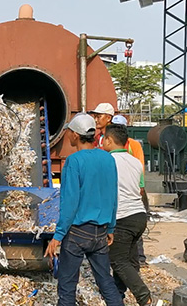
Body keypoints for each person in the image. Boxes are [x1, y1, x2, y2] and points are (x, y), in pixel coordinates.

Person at [44, 113, 123, 306]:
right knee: (106, 282)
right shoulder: (107, 159)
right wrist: (111, 228)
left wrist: (58, 236)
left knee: (67, 285)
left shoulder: (74, 161)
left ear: (76, 135)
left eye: (69, 131)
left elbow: (70, 202)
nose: (68, 135)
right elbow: (112, 195)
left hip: (78, 233)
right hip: (100, 232)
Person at [102, 124, 152, 305]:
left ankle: (144, 297)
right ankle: (118, 296)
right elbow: (139, 189)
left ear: (108, 140)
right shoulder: (135, 162)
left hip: (122, 217)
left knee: (118, 261)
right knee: (129, 261)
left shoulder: (107, 161)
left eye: (103, 138)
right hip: (139, 215)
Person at [112, 115, 149, 266]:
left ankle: (139, 257)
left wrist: (140, 186)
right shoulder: (107, 144)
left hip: (133, 187)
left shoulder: (133, 145)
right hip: (121, 188)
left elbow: (139, 165)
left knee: (131, 221)